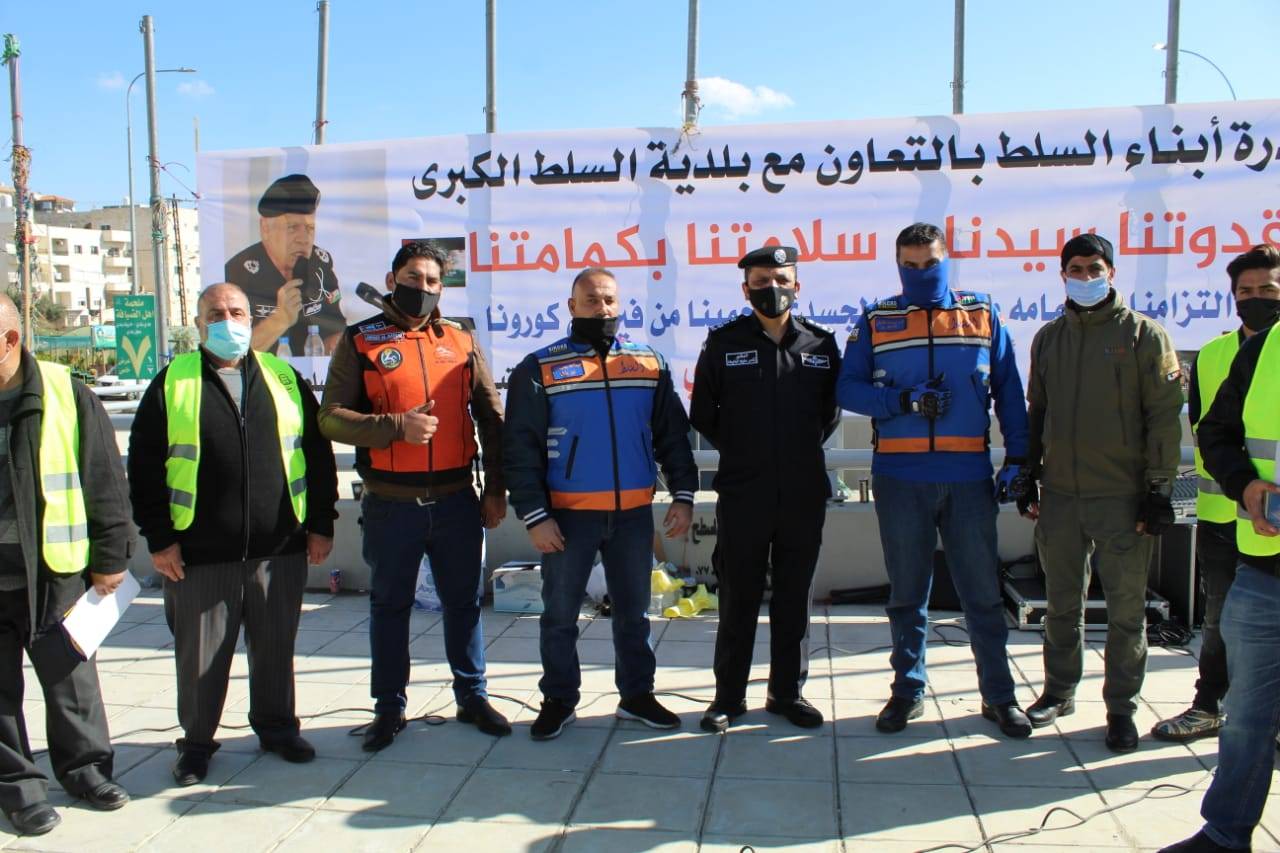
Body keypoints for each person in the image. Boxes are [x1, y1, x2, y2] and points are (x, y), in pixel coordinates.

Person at [128, 283, 339, 785]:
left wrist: (321, 524)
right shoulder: (173, 381)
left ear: (251, 317)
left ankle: (277, 728)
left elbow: (316, 454)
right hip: (199, 555)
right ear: (199, 324)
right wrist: (159, 539)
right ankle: (197, 744)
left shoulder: (283, 377)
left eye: (237, 312)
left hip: (280, 547)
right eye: (216, 314)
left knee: (275, 649)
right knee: (201, 659)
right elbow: (143, 467)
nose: (228, 321)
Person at [837, 222, 1033, 738]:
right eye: (910, 265)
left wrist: (1019, 458)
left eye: (930, 264)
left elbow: (1010, 392)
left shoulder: (981, 314)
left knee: (982, 594)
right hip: (901, 478)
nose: (920, 272)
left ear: (947, 260)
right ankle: (907, 691)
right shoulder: (877, 319)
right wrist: (902, 401)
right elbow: (848, 389)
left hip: (968, 479)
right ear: (897, 265)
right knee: (907, 595)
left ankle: (999, 695)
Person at [318, 241, 509, 750]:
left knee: (464, 603)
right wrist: (394, 426)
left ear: (442, 287)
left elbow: (491, 417)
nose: (422, 288)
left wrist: (496, 489)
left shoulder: (460, 339)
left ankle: (472, 696)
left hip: (456, 500)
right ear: (392, 279)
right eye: (413, 277)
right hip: (390, 505)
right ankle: (389, 707)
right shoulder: (361, 340)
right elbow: (330, 417)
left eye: (432, 281)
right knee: (390, 606)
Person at [504, 267, 698, 740]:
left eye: (609, 299)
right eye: (591, 300)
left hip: (633, 515)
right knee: (559, 615)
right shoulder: (540, 367)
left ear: (621, 304)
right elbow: (519, 448)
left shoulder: (648, 363)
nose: (602, 308)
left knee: (635, 614)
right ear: (571, 306)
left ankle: (637, 696)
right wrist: (535, 515)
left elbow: (672, 435)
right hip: (567, 518)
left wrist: (684, 494)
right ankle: (558, 700)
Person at [1019, 234, 1184, 753]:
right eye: (1076, 268)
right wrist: (1027, 472)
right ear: (1062, 274)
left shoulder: (1143, 335)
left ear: (1111, 272)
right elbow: (1037, 411)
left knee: (1125, 611)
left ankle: (1121, 708)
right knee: (1061, 603)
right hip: (1061, 497)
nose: (1085, 277)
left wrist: (1159, 489)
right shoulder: (1049, 338)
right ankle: (1058, 691)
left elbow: (1163, 418)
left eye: (1095, 268)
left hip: (1122, 497)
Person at [1157, 249, 1280, 853]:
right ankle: (1226, 835)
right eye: (1248, 290)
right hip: (1262, 561)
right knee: (1247, 715)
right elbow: (1214, 431)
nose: (1259, 300)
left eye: (1268, 289)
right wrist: (1244, 484)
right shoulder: (1258, 352)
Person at [689, 246, 841, 732]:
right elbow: (703, 414)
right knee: (738, 595)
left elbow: (829, 415)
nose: (771, 288)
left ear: (797, 285)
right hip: (744, 491)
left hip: (802, 491)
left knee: (795, 596)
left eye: (781, 279)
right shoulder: (723, 342)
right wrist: (747, 451)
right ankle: (728, 698)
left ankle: (787, 693)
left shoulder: (821, 345)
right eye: (760, 281)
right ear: (745, 289)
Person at [0, 295, 133, 836]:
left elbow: (103, 476)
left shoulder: (63, 391)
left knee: (71, 681)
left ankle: (86, 772)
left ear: (9, 341)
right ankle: (19, 789)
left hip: (54, 573)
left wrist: (111, 556)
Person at [224, 174, 346, 355]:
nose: (304, 239)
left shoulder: (320, 263)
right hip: (264, 370)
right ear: (265, 228)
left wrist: (336, 342)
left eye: (310, 228)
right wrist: (280, 319)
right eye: (292, 228)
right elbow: (232, 353)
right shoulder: (238, 272)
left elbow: (335, 327)